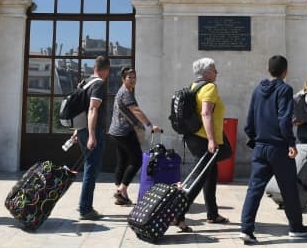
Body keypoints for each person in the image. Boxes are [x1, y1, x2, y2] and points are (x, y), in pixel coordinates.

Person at [239, 55, 307, 244]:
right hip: (279, 147)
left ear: (268, 70)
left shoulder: (257, 90)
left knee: (254, 188)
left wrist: (253, 139)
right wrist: (290, 142)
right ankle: (296, 227)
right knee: (289, 188)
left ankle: (246, 229)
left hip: (260, 146)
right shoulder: (284, 89)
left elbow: (250, 120)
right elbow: (284, 117)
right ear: (285, 71)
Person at [174, 57, 231, 232]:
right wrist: (212, 140)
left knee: (210, 174)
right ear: (206, 72)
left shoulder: (194, 86)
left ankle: (212, 214)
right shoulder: (209, 87)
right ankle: (178, 215)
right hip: (203, 139)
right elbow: (206, 113)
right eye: (214, 69)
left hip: (193, 136)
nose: (217, 72)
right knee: (198, 178)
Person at [108, 67, 161, 206]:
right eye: (129, 77)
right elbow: (135, 110)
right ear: (123, 79)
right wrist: (150, 125)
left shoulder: (122, 91)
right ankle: (122, 189)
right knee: (137, 160)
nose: (132, 80)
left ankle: (121, 194)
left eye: (134, 77)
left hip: (115, 131)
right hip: (124, 132)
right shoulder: (126, 93)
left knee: (122, 161)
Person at [77, 55, 110, 220]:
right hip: (93, 131)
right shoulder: (99, 84)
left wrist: (77, 131)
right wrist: (91, 135)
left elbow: (79, 110)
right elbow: (92, 109)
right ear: (106, 70)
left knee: (90, 167)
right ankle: (85, 209)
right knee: (92, 168)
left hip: (82, 129)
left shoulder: (85, 83)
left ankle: (84, 204)